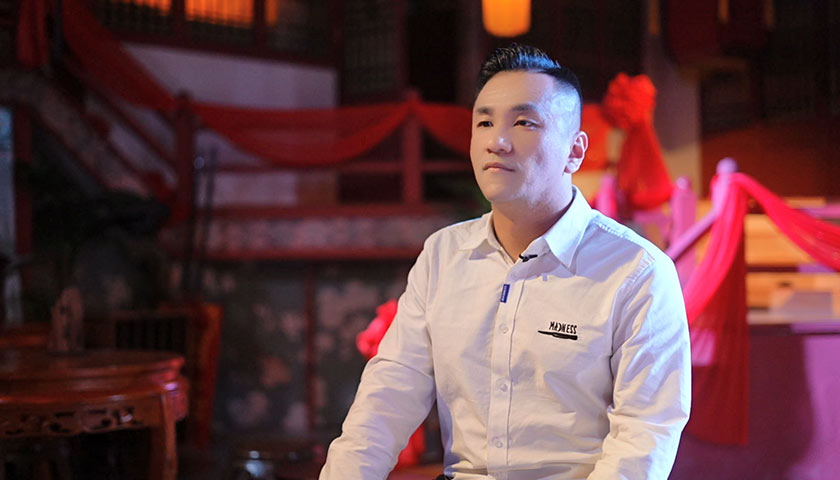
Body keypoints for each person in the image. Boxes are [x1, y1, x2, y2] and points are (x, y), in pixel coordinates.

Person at [319, 44, 691, 480]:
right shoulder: (443, 255)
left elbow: (644, 436)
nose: (497, 141)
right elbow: (386, 399)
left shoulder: (637, 272)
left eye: (523, 122)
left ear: (574, 151)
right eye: (484, 122)